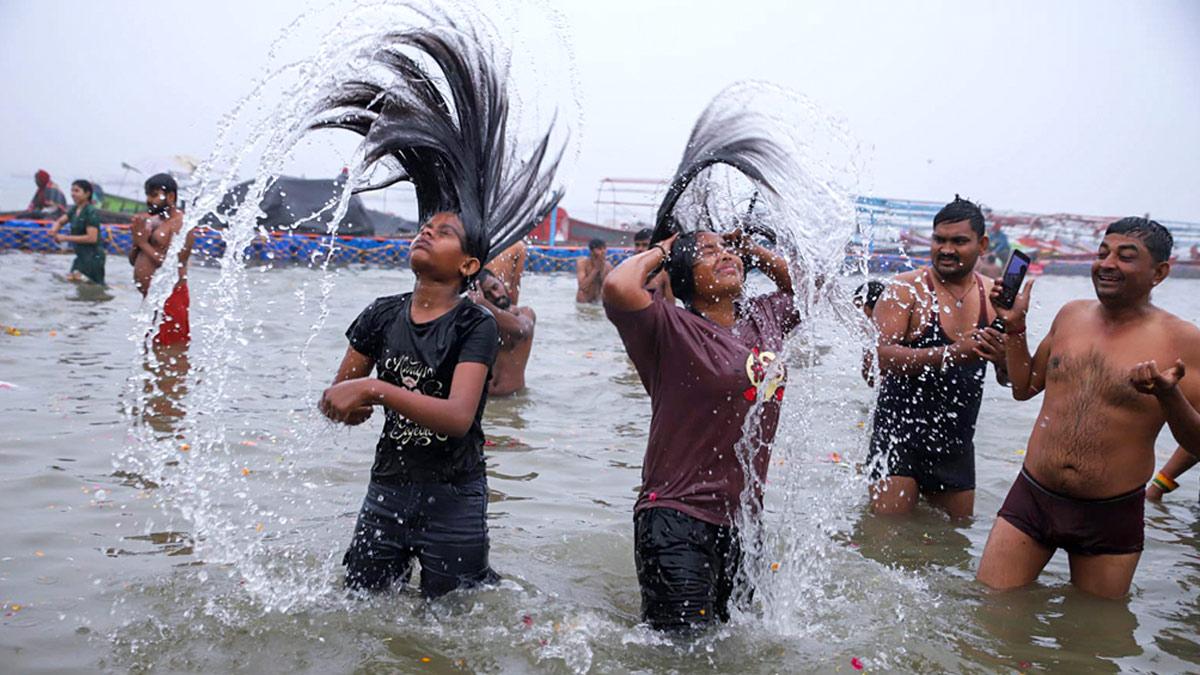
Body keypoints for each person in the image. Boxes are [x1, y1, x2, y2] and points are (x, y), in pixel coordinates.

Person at [310, 17, 568, 598]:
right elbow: (340, 398)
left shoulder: (474, 323)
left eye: (444, 231)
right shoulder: (380, 314)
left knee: (454, 620)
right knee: (362, 605)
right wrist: (340, 404)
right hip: (387, 491)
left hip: (456, 496)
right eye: (426, 225)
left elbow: (456, 418)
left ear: (469, 265)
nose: (427, 232)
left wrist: (373, 392)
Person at [604, 89, 803, 632]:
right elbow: (619, 286)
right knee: (682, 657)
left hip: (743, 523)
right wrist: (667, 247)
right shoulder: (670, 327)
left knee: (732, 651)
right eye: (710, 252)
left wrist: (751, 246)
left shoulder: (764, 318)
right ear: (688, 277)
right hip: (675, 517)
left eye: (729, 249)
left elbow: (807, 289)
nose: (726, 256)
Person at [977, 217, 1200, 598]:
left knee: (1094, 643)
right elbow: (1025, 387)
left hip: (1110, 515)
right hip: (1033, 497)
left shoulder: (1183, 340)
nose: (1108, 263)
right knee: (990, 610)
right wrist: (1015, 327)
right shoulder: (1071, 315)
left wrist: (1168, 394)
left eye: (1126, 257)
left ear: (1159, 272)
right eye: (1102, 253)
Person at [866, 197, 1007, 518]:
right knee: (885, 543)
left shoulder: (994, 296)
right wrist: (952, 354)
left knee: (952, 547)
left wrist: (1004, 354)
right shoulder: (905, 290)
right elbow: (877, 361)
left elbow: (1010, 379)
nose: (946, 249)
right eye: (939, 240)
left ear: (982, 244)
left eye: (959, 241)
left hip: (956, 446)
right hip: (898, 440)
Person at [129, 174, 194, 346]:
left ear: (171, 197)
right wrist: (138, 241)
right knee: (148, 351)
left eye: (153, 195)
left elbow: (173, 265)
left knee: (172, 351)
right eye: (148, 195)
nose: (149, 200)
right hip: (151, 299)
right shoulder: (153, 221)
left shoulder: (181, 223)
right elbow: (133, 260)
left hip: (171, 296)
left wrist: (143, 243)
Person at [471, 268, 535, 396]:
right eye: (488, 294)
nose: (496, 295)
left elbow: (523, 329)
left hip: (513, 399)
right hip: (483, 399)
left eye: (495, 287)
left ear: (501, 282)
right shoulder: (479, 321)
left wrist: (484, 303)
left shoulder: (524, 312)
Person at [48, 180, 105, 284]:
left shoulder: (90, 212)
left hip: (93, 258)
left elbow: (92, 238)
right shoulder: (74, 209)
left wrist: (65, 238)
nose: (72, 194)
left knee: (94, 287)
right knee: (73, 282)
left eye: (76, 191)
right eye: (72, 191)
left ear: (87, 194)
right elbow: (60, 221)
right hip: (80, 257)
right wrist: (54, 231)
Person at [854, 280, 886, 386]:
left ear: (866, 308)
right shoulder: (874, 332)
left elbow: (869, 375)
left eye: (857, 307)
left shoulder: (882, 334)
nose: (855, 315)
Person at [484, 240, 527, 305]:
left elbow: (516, 284)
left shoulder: (479, 240)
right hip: (502, 297)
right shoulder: (519, 246)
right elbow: (515, 284)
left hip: (483, 297)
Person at [633, 227, 672, 299]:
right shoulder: (629, 270)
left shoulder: (663, 273)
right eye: (637, 245)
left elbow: (670, 306)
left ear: (654, 246)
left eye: (645, 245)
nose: (640, 249)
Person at [575, 238, 611, 303]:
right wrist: (596, 269)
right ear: (591, 251)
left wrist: (602, 269)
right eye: (599, 249)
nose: (603, 252)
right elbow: (582, 286)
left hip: (598, 302)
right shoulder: (582, 263)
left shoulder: (608, 266)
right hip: (583, 303)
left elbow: (608, 288)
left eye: (604, 248)